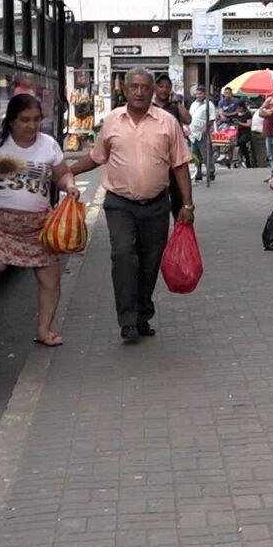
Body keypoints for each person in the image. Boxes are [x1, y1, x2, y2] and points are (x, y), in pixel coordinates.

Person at [69, 68, 194, 344]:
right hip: (120, 204)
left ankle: (142, 314)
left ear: (153, 91)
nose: (139, 92)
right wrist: (69, 172)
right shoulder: (112, 121)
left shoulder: (167, 122)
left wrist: (187, 204)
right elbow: (96, 157)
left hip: (157, 205)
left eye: (145, 87)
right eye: (134, 87)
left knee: (150, 262)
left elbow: (180, 165)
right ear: (125, 90)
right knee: (124, 256)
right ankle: (127, 321)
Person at [0, 94, 79, 348]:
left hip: (37, 227)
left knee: (50, 279)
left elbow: (62, 174)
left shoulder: (48, 145)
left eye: (36, 120)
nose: (31, 126)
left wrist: (70, 185)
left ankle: (44, 331)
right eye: (24, 120)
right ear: (10, 121)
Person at [154, 74, 192, 219]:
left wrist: (177, 103)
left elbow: (188, 119)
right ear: (155, 89)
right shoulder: (149, 107)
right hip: (157, 160)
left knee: (178, 200)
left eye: (167, 87)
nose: (164, 90)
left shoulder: (174, 107)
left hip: (174, 159)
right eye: (161, 86)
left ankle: (179, 233)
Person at [189, 85, 211, 182]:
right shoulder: (193, 104)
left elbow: (210, 120)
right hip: (193, 134)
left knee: (206, 155)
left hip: (203, 133)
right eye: (197, 94)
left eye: (200, 94)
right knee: (195, 156)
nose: (198, 96)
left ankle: (210, 172)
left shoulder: (209, 105)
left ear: (204, 94)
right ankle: (198, 173)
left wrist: (203, 131)